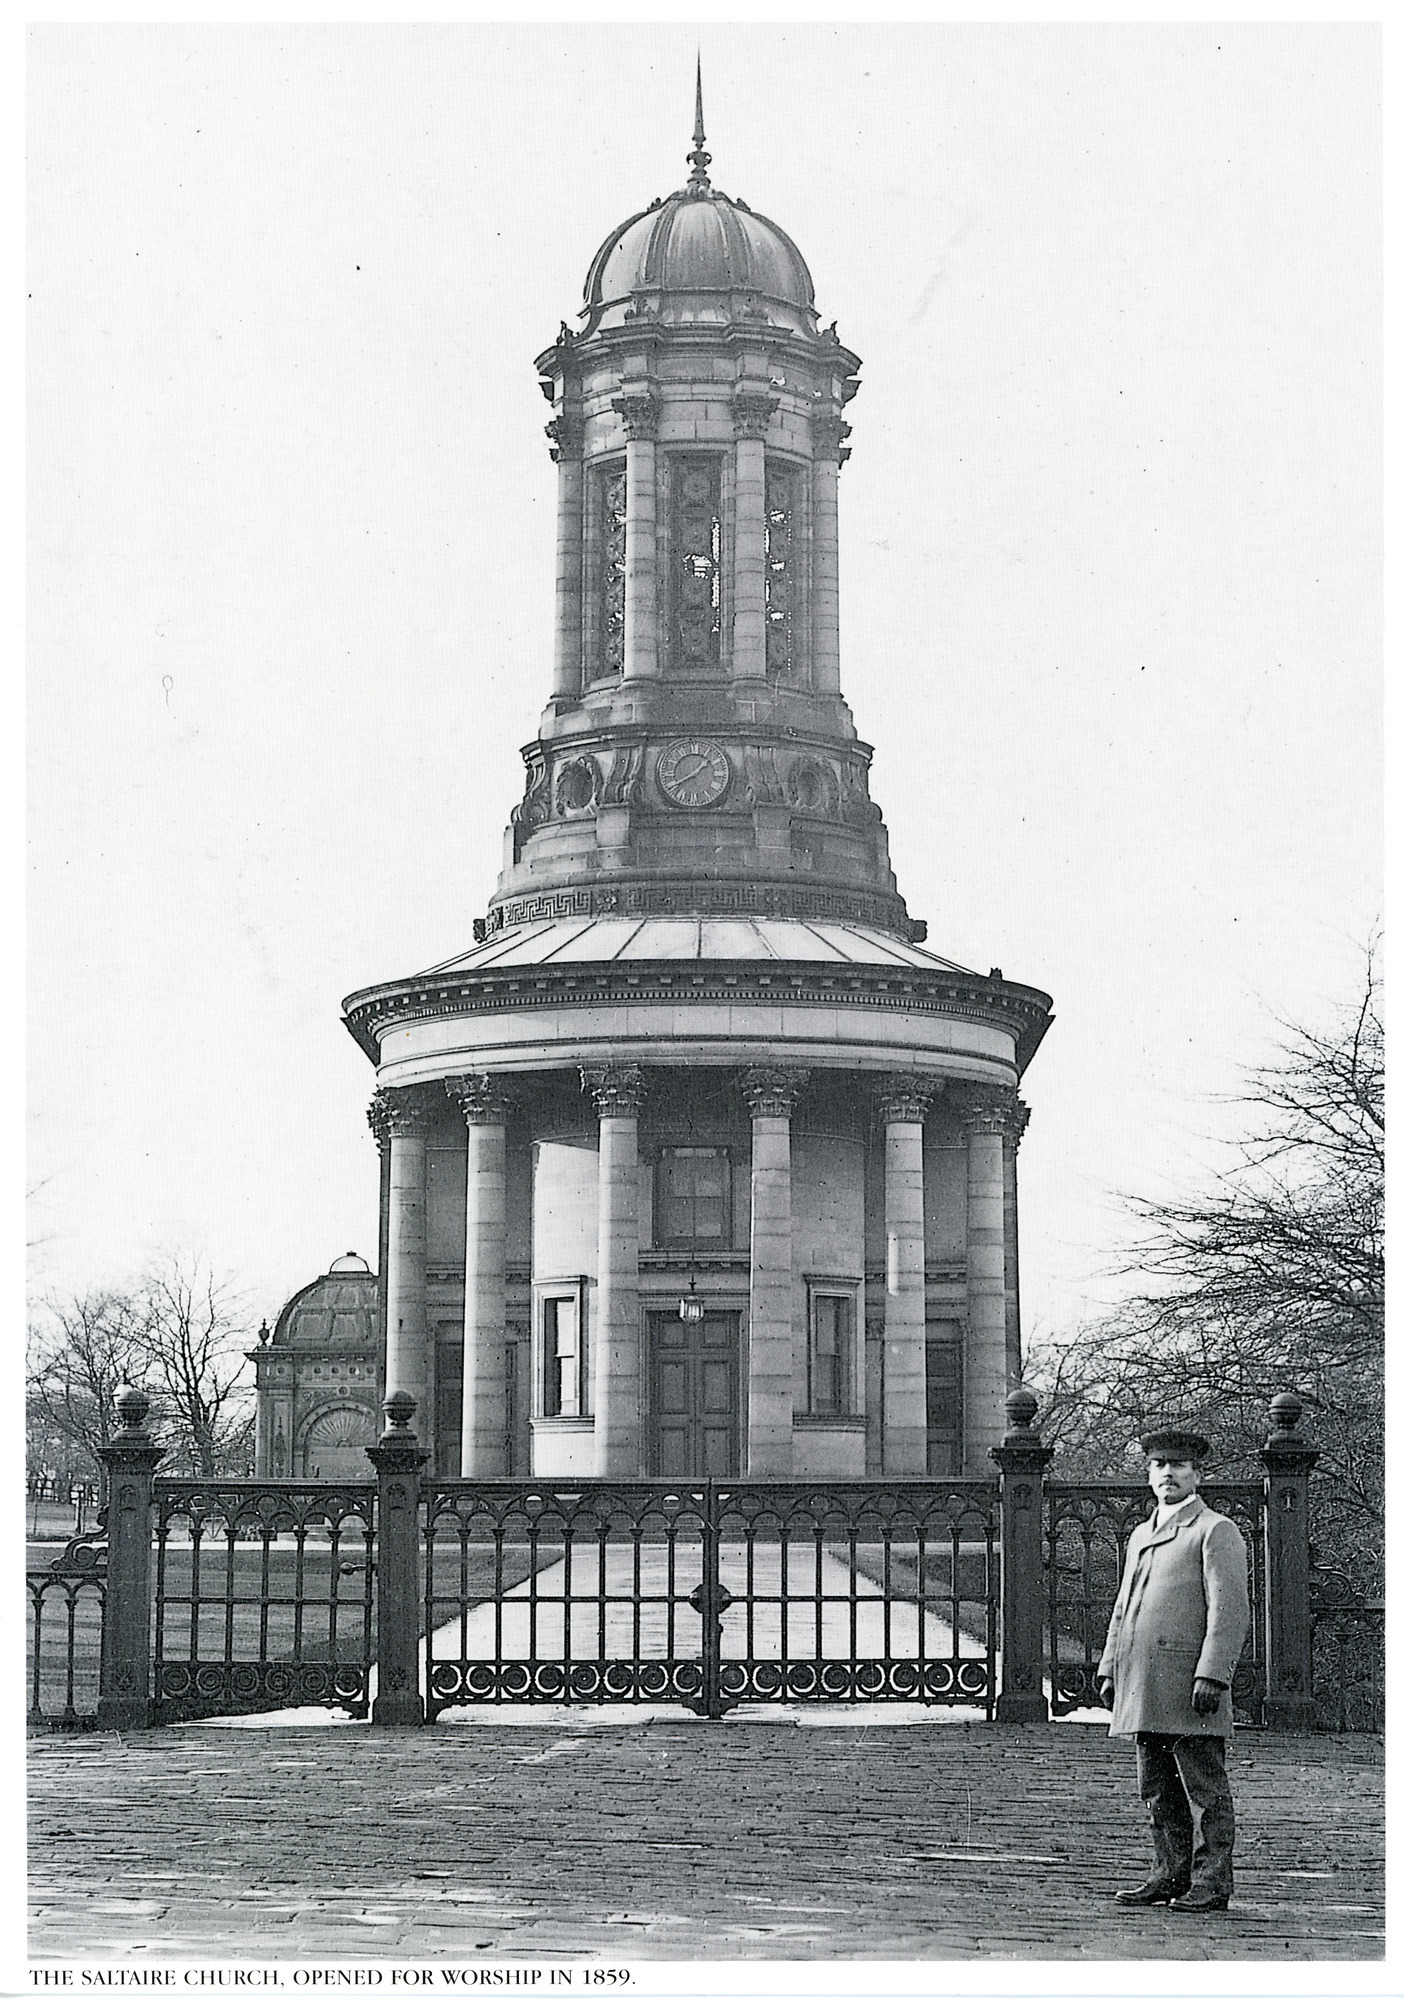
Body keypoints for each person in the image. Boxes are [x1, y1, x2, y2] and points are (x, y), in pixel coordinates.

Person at [1096, 1426, 1251, 1914]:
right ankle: (1168, 1873)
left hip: (1190, 1685)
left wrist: (1213, 1673)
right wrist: (1109, 1667)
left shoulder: (1214, 1530)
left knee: (1205, 1787)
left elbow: (1229, 1610)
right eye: (1160, 1466)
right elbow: (1125, 1605)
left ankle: (1211, 1882)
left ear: (1197, 1474)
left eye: (1179, 1466)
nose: (1169, 1474)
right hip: (1143, 1682)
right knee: (1157, 1787)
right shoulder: (1142, 1534)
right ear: (1149, 1474)